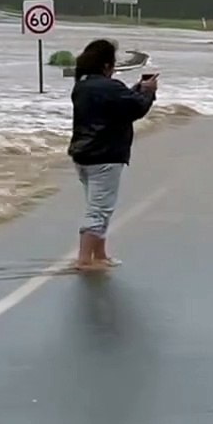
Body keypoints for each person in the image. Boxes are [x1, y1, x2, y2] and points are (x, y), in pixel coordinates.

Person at [67, 39, 158, 272]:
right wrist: (148, 93)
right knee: (99, 209)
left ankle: (100, 254)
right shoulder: (109, 87)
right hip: (105, 156)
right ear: (106, 65)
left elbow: (119, 103)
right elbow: (135, 109)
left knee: (98, 204)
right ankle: (85, 259)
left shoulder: (83, 85)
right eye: (113, 63)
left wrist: (138, 89)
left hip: (83, 154)